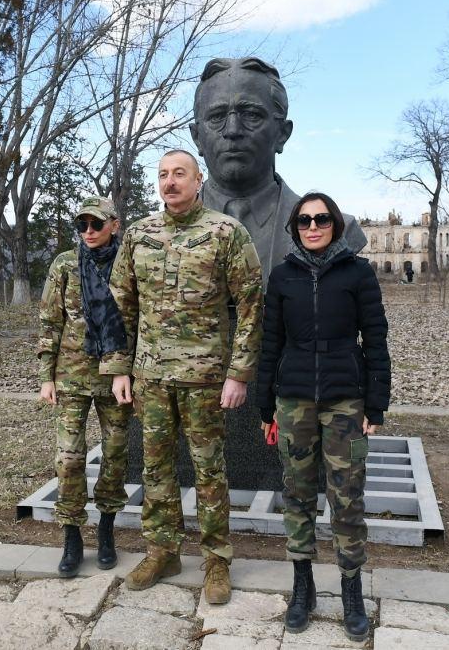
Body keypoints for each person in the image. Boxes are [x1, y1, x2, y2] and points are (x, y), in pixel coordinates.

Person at [100, 149, 263, 604]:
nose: (170, 182)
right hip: (150, 376)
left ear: (198, 180)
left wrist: (239, 373)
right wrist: (118, 368)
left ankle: (216, 560)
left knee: (209, 470)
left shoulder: (225, 232)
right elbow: (120, 307)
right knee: (156, 467)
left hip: (206, 378)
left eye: (179, 174)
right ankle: (163, 550)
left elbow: (251, 306)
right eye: (163, 175)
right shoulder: (138, 235)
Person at [256, 192, 390, 641]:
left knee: (347, 496)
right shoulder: (282, 277)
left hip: (345, 402)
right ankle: (303, 585)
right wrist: (264, 404)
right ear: (294, 228)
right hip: (294, 400)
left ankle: (351, 590)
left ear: (335, 224)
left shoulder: (358, 273)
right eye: (304, 220)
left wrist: (376, 404)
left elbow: (375, 339)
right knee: (296, 495)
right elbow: (269, 342)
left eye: (322, 219)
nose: (313, 226)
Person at [190, 57, 368, 278]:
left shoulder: (340, 232)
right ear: (197, 137)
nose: (233, 130)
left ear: (282, 133)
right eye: (217, 116)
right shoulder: (155, 237)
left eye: (252, 115)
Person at [37, 197, 131, 577]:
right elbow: (49, 321)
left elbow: (136, 319)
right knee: (69, 459)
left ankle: (106, 530)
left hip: (116, 376)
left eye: (96, 224)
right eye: (82, 226)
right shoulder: (64, 265)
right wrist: (46, 376)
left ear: (114, 225)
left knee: (116, 454)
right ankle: (72, 535)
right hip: (71, 376)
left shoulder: (128, 263)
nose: (88, 232)